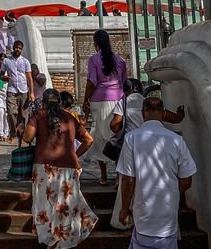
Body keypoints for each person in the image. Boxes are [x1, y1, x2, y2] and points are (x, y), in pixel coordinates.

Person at [117, 96, 196, 249]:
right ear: (163, 113)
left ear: (143, 113)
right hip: (168, 208)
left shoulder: (131, 139)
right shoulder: (176, 140)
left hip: (143, 207)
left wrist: (125, 208)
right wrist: (172, 191)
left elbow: (128, 179)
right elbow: (187, 181)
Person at [22, 88, 97, 247]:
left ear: (43, 102)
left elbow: (27, 137)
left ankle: (48, 237)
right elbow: (89, 140)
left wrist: (22, 128)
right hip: (68, 167)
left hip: (43, 167)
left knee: (44, 203)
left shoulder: (38, 115)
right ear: (60, 102)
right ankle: (63, 236)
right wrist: (75, 154)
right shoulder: (69, 117)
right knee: (65, 203)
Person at [82, 29, 127, 185]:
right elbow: (124, 82)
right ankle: (119, 176)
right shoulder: (120, 60)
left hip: (98, 101)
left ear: (96, 43)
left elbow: (91, 83)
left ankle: (103, 176)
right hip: (118, 101)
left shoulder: (94, 60)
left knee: (99, 137)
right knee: (116, 138)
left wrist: (85, 99)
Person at [1, 39, 34, 142]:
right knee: (11, 112)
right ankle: (13, 132)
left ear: (22, 49)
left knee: (23, 115)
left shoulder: (25, 61)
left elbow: (29, 78)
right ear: (13, 48)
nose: (17, 50)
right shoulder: (6, 61)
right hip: (11, 90)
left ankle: (22, 136)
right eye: (16, 47)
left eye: (19, 48)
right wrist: (3, 80)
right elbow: (0, 75)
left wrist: (32, 93)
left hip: (23, 90)